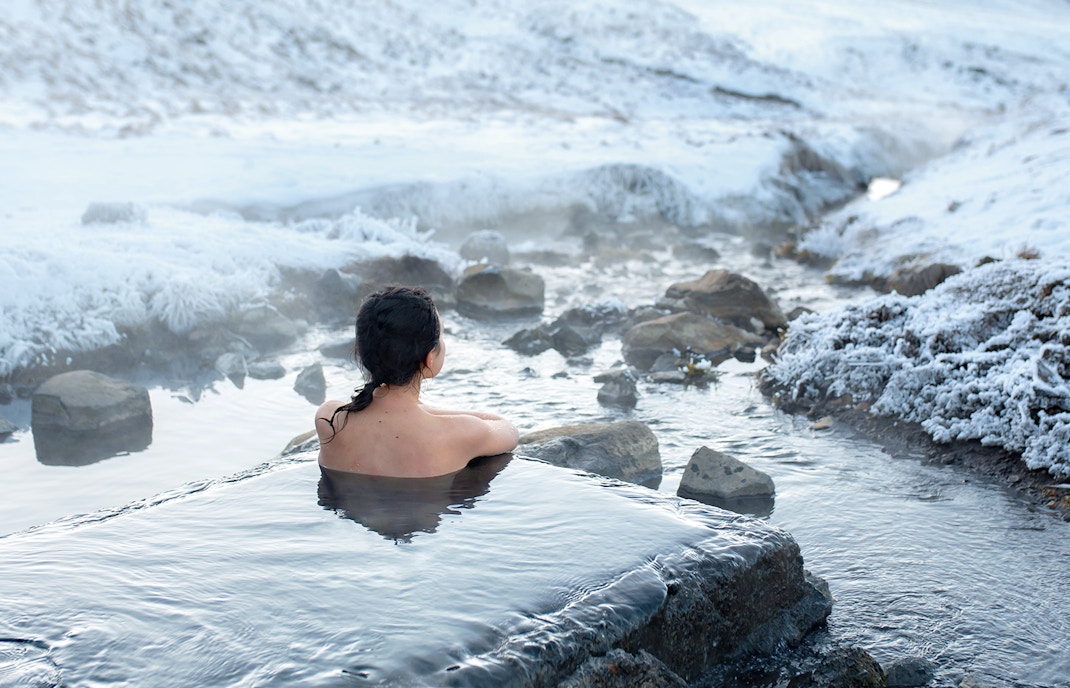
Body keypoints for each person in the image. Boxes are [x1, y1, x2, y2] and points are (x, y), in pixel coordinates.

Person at [315, 286, 519, 477]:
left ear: (362, 351)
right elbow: (507, 430)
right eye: (441, 336)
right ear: (429, 358)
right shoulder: (461, 433)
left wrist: (418, 409)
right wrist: (423, 411)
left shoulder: (330, 419)